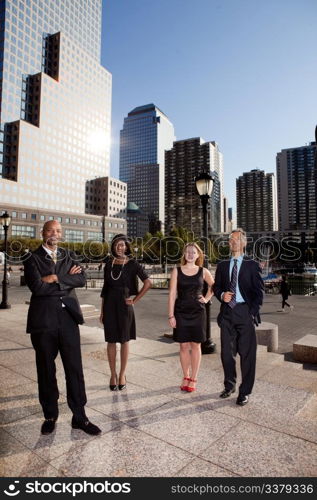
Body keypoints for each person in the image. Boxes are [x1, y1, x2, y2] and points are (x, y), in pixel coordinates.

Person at [23, 220, 101, 436]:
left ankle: (80, 417)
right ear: (43, 233)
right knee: (46, 370)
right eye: (50, 230)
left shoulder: (69, 255)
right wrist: (65, 281)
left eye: (58, 231)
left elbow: (82, 278)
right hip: (43, 322)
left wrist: (55, 277)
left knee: (74, 369)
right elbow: (37, 287)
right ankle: (50, 415)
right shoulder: (32, 257)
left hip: (68, 320)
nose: (54, 234)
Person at [214, 229, 264, 406]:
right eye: (230, 240)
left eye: (236, 239)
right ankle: (230, 385)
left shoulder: (252, 264)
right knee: (227, 354)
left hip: (244, 313)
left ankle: (245, 392)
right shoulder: (222, 265)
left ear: (244, 243)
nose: (233, 242)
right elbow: (216, 287)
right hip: (227, 313)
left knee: (247, 355)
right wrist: (222, 296)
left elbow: (259, 293)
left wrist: (251, 313)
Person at [100, 234, 151, 391]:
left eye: (122, 245)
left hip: (124, 305)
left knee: (124, 340)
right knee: (110, 341)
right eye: (117, 245)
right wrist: (102, 311)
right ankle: (112, 374)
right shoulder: (109, 263)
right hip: (109, 304)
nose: (120, 247)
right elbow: (105, 288)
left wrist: (135, 300)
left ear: (127, 247)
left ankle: (122, 374)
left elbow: (148, 283)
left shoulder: (133, 264)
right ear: (113, 247)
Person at [168, 243, 214, 392]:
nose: (190, 254)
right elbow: (172, 294)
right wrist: (171, 315)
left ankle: (194, 378)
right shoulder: (177, 271)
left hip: (198, 313)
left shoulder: (203, 271)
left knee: (196, 345)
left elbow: (214, 286)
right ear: (184, 254)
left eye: (193, 252)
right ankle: (185, 376)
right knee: (183, 345)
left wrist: (206, 299)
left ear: (198, 255)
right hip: (181, 312)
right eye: (188, 252)